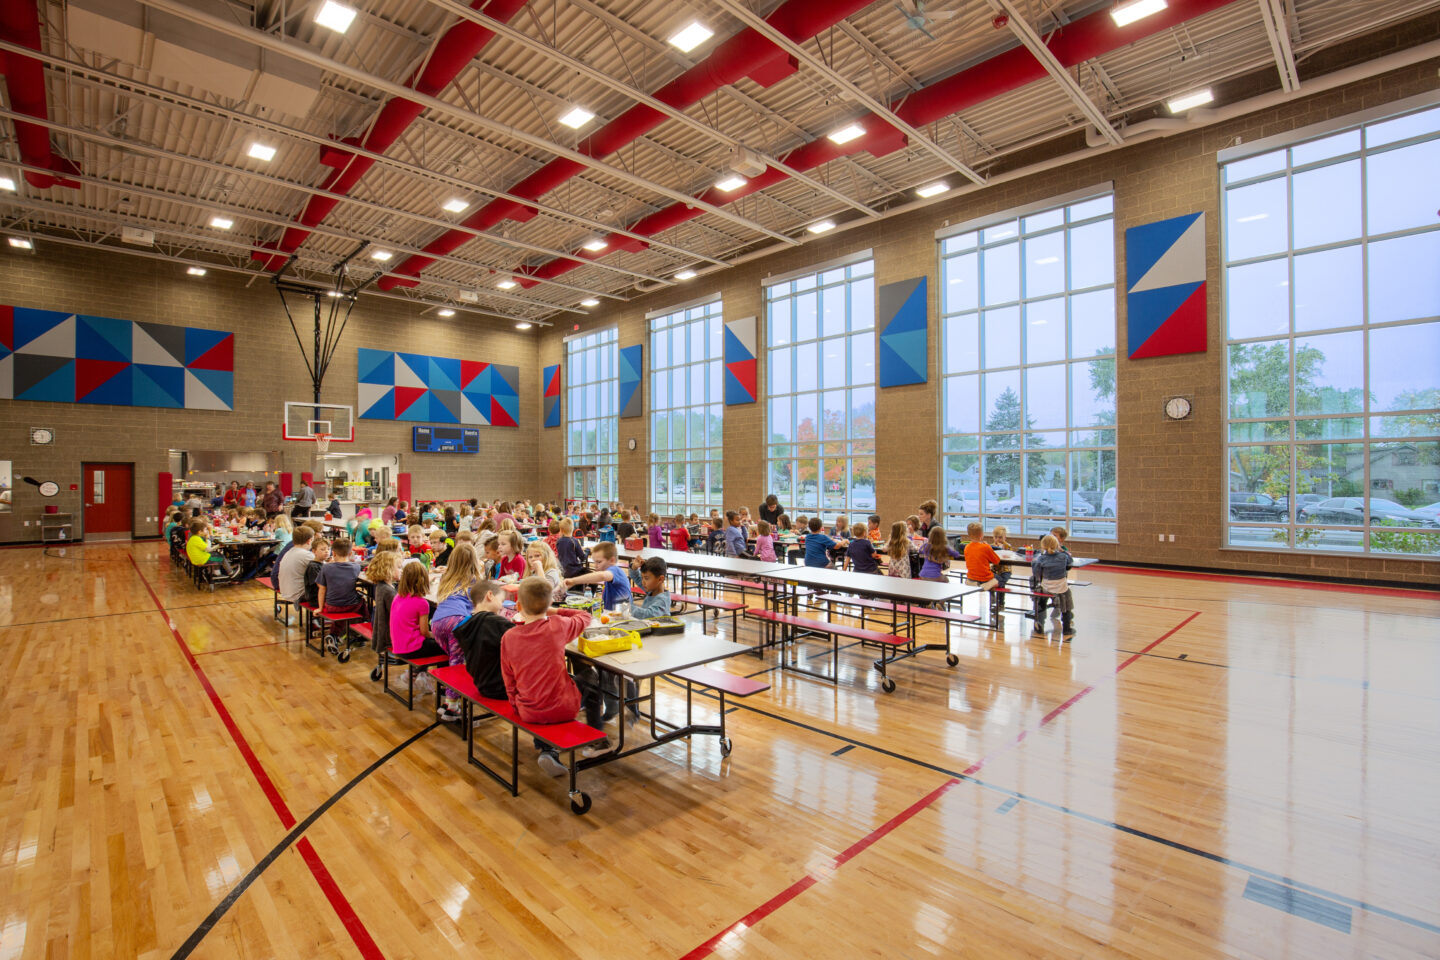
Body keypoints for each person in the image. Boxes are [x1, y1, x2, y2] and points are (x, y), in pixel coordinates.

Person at [500, 577, 609, 775]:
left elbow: (509, 678)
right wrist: (556, 611)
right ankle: (598, 739)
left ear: (518, 605)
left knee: (535, 685)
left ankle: (548, 750)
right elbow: (584, 616)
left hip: (528, 710)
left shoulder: (508, 637)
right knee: (588, 678)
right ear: (550, 602)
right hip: (563, 708)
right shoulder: (557, 626)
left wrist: (516, 705)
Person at [431, 544, 482, 721]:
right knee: (458, 662)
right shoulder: (474, 580)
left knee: (452, 658)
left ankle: (448, 700)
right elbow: (479, 609)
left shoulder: (447, 578)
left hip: (437, 622)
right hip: (457, 622)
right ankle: (453, 705)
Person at [454, 581, 514, 699]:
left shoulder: (466, 623)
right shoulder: (496, 623)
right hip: (503, 687)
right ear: (490, 595)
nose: (502, 606)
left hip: (482, 684)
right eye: (501, 601)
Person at [364, 549, 401, 681]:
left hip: (383, 633)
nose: (401, 570)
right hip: (390, 637)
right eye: (398, 567)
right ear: (388, 570)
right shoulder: (389, 592)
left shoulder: (382, 586)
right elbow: (400, 615)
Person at [564, 541, 632, 610]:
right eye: (594, 562)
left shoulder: (616, 570)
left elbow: (602, 576)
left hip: (622, 617)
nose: (595, 565)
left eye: (599, 562)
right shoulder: (610, 575)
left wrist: (573, 581)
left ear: (612, 560)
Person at [1031, 534, 1076, 640]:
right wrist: (1062, 550)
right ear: (1057, 545)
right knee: (1066, 605)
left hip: (1046, 587)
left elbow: (1036, 573)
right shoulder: (1063, 557)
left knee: (1041, 600)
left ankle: (1040, 623)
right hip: (1061, 588)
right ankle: (1067, 629)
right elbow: (1070, 560)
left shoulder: (1041, 558)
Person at [315, 538, 366, 618]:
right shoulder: (356, 567)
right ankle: (364, 622)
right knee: (362, 599)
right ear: (350, 554)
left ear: (333, 553)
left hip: (332, 606)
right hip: (352, 606)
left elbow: (322, 589)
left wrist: (320, 608)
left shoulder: (326, 567)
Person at [963, 522, 1003, 615]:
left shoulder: (967, 547)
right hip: (985, 578)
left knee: (993, 576)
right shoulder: (985, 547)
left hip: (971, 577)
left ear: (969, 535)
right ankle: (1000, 603)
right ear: (981, 535)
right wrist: (988, 547)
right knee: (1002, 579)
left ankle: (991, 594)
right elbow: (996, 561)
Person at [277, 526, 316, 604]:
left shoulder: (288, 552)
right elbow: (325, 570)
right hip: (299, 595)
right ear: (309, 541)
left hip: (285, 591)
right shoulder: (306, 555)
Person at [303, 537, 332, 606]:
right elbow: (321, 586)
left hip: (324, 595)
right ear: (314, 551)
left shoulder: (324, 563)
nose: (327, 551)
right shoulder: (313, 567)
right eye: (322, 549)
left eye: (328, 549)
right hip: (316, 599)